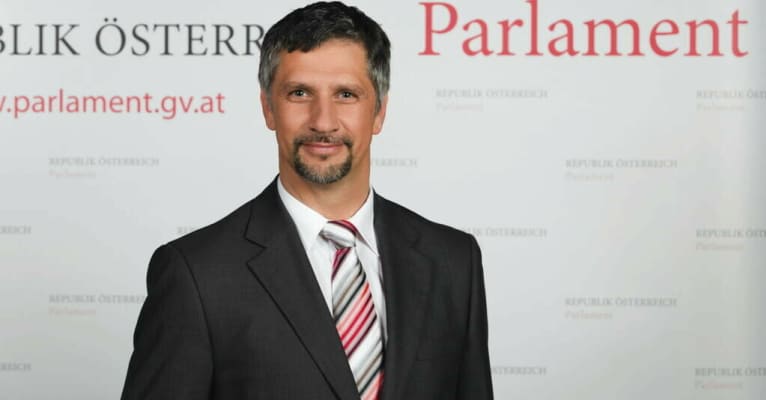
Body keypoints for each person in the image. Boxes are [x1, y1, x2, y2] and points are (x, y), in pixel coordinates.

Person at [120, 2, 493, 399]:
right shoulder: (196, 275)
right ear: (268, 108)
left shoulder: (454, 261)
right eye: (299, 93)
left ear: (379, 112)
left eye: (346, 94)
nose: (323, 121)